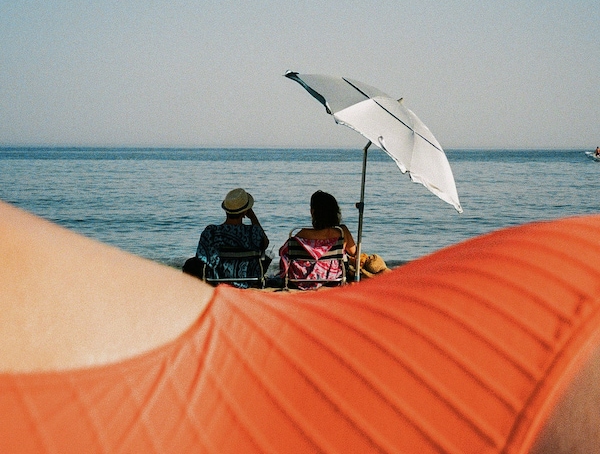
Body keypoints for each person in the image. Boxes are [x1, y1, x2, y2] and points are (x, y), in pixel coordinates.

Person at [3, 197, 600, 453]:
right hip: (341, 296)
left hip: (263, 295)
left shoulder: (228, 235)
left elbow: (262, 260)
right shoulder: (336, 239)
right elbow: (260, 244)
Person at [190, 188, 270, 288]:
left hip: (218, 282)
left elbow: (201, 257)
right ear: (245, 212)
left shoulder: (211, 232)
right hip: (248, 281)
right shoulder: (253, 232)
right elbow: (265, 244)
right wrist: (253, 218)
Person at [279, 190, 356, 289]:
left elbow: (283, 252)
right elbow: (354, 252)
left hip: (301, 280)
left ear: (312, 212)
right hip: (332, 279)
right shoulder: (341, 231)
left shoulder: (301, 233)